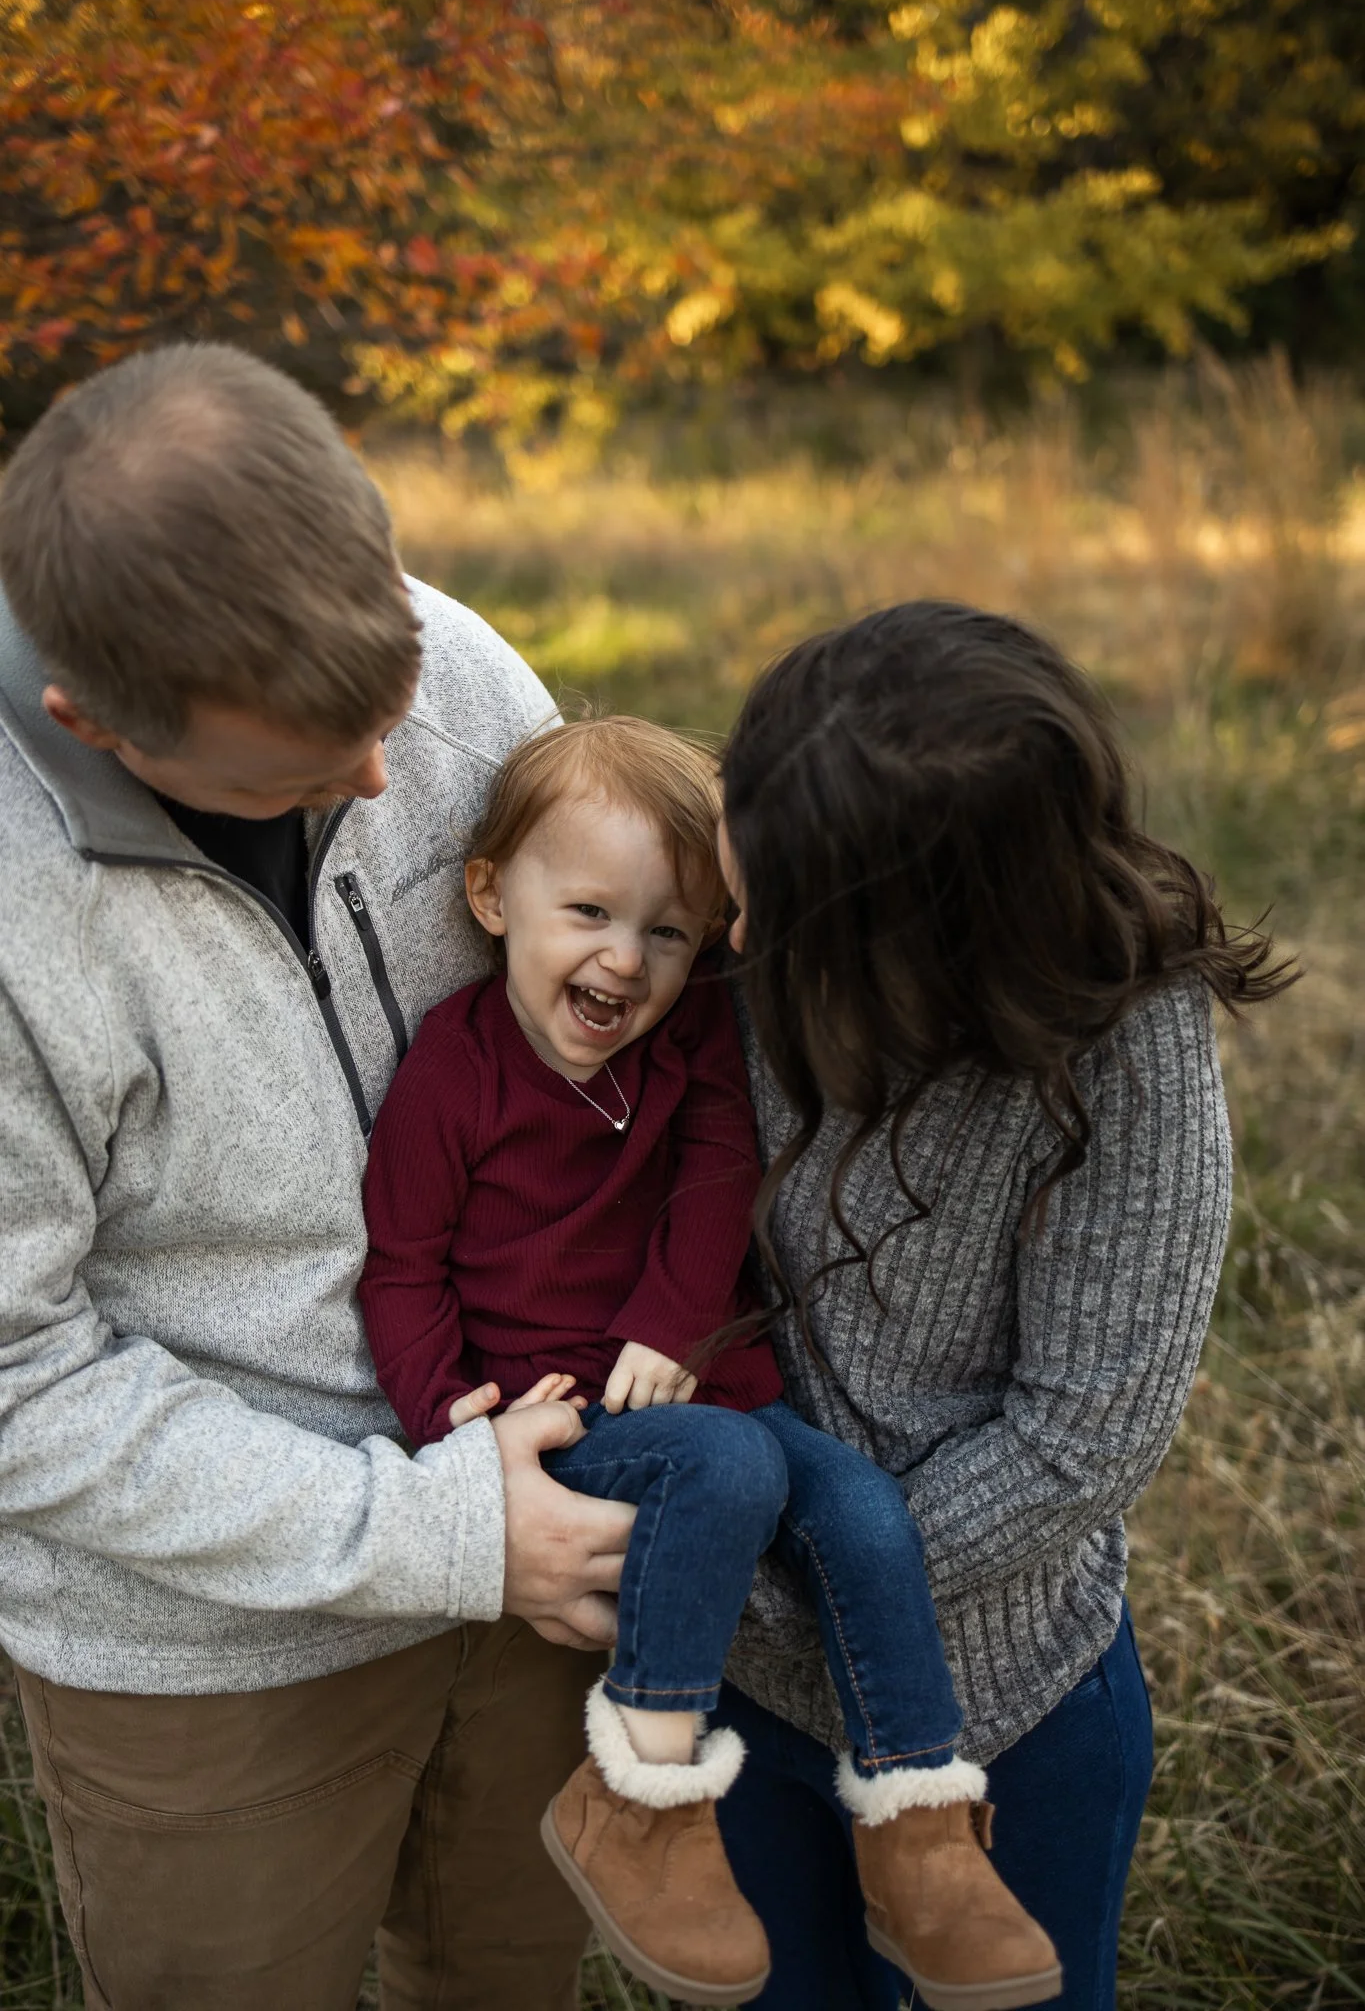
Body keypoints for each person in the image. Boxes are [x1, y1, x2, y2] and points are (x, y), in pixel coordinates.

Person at [0, 343, 637, 2011]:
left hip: (548, 1528)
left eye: (389, 714)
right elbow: (16, 1381)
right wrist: (434, 1532)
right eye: (289, 776)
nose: (375, 785)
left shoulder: (460, 669)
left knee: (507, 1976)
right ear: (91, 725)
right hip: (210, 1650)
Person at [359, 714, 1060, 2011]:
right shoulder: (452, 1075)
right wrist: (448, 1425)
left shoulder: (685, 1047)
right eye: (588, 912)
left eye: (669, 932)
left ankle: (916, 1823)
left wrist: (676, 1326)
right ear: (491, 898)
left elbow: (719, 1174)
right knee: (728, 1468)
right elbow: (401, 1269)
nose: (625, 960)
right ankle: (639, 1790)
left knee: (862, 1508)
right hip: (563, 1418)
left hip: (701, 1380)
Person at [708, 601, 1295, 2011]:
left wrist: (780, 1593)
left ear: (916, 936)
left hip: (1003, 1707)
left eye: (770, 892)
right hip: (741, 1704)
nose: (730, 895)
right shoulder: (747, 935)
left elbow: (1080, 1438)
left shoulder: (1126, 1048)